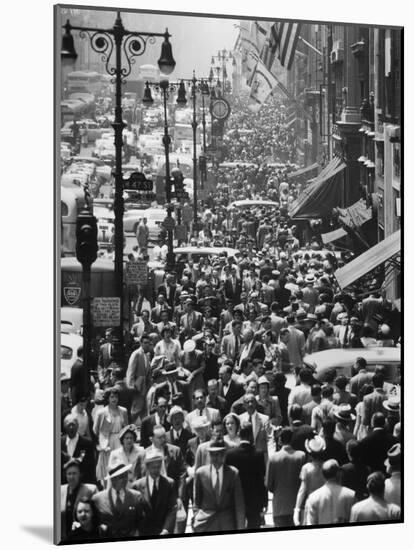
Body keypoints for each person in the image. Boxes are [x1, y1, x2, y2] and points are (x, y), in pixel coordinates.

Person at [193, 442, 246, 532]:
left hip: (227, 524)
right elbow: (197, 501)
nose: (215, 458)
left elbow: (239, 503)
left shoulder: (233, 473)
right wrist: (197, 517)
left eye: (218, 455)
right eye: (212, 455)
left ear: (224, 455)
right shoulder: (201, 473)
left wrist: (240, 526)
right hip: (206, 523)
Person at [226, 422, 267, 529]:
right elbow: (261, 479)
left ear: (239, 434)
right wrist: (264, 501)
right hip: (254, 500)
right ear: (251, 435)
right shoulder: (258, 454)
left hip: (235, 500)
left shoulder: (230, 455)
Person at [92, 463, 147, 537]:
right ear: (112, 479)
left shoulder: (136, 496)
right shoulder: (97, 499)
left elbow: (141, 522)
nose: (125, 480)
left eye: (125, 475)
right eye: (121, 477)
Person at [267, 427, 306, 528]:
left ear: (280, 440)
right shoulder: (301, 456)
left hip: (279, 507)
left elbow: (268, 484)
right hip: (297, 506)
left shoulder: (273, 458)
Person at [132, 450, 177, 536]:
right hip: (144, 532)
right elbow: (135, 513)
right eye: (153, 467)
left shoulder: (169, 484)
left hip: (163, 531)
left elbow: (172, 509)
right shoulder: (137, 486)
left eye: (158, 467)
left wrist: (166, 530)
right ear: (147, 467)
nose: (156, 470)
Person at [93, 388, 129, 487]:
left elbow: (126, 427)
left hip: (120, 440)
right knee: (107, 467)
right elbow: (95, 430)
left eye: (116, 397)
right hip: (107, 442)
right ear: (108, 398)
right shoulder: (101, 412)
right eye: (112, 397)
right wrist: (101, 443)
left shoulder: (123, 411)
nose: (114, 399)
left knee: (120, 465)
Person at [305, 459, 355, 525]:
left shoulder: (313, 497)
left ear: (323, 474)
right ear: (338, 473)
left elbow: (310, 524)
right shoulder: (351, 495)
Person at [61, 459, 98, 541]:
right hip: (63, 537)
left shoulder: (90, 490)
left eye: (74, 473)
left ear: (80, 474)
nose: (71, 477)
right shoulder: (59, 491)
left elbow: (96, 514)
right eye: (69, 474)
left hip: (83, 536)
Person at [294, 436, 326, 526]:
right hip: (324, 503)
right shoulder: (326, 466)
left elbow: (302, 490)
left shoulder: (306, 468)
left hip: (311, 504)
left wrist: (297, 509)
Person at [238, 393, 274, 461]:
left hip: (261, 457)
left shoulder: (265, 419)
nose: (250, 404)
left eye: (252, 401)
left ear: (256, 403)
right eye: (247, 402)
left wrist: (271, 456)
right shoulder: (240, 419)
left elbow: (270, 438)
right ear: (244, 405)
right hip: (244, 457)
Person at [61, 414, 96, 484]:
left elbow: (91, 466)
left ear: (77, 426)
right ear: (64, 426)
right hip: (63, 484)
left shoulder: (87, 443)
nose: (71, 427)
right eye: (68, 425)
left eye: (73, 425)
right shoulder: (58, 442)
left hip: (82, 483)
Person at [126, 334, 153, 423]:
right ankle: (127, 426)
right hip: (137, 387)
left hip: (145, 387)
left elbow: (148, 372)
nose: (147, 345)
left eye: (149, 343)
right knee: (136, 410)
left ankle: (145, 431)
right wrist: (131, 386)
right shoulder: (136, 354)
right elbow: (131, 371)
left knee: (144, 411)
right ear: (141, 343)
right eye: (145, 343)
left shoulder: (147, 355)